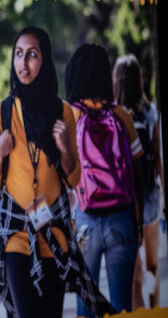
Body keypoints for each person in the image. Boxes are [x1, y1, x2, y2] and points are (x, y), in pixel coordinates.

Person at [0, 27, 112, 318]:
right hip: (16, 235)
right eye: (18, 54)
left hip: (54, 236)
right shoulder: (1, 114)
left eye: (32, 55)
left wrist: (65, 147)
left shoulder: (63, 112)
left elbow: (74, 178)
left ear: (45, 60)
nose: (23, 62)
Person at [66, 43, 144, 317]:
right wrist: (139, 222)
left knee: (86, 308)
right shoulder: (121, 116)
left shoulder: (71, 115)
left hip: (85, 222)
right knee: (123, 307)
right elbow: (139, 172)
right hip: (122, 221)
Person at [112, 54, 163, 310]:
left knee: (134, 276)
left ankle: (141, 314)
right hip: (151, 194)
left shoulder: (113, 114)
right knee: (152, 266)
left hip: (124, 199)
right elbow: (158, 157)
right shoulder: (150, 111)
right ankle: (156, 311)